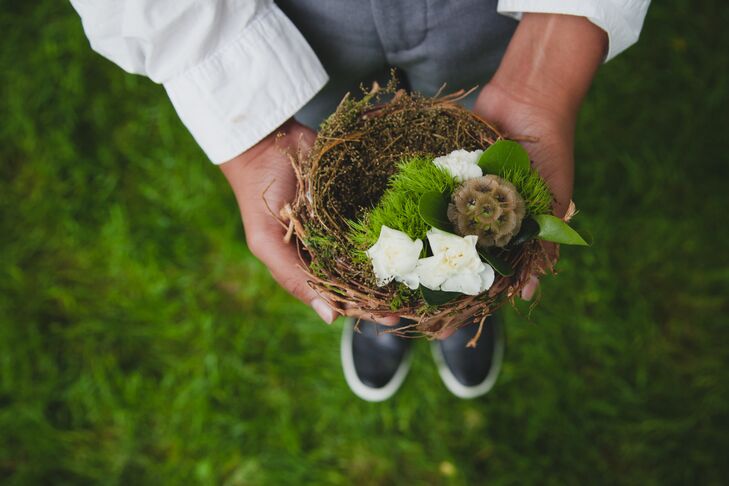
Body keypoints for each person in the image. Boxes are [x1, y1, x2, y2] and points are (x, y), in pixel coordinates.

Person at [70, 0, 650, 402]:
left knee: (469, 115)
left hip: (481, 12)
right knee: (331, 124)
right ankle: (380, 306)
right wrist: (240, 107)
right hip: (297, 16)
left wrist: (545, 62)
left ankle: (455, 307)